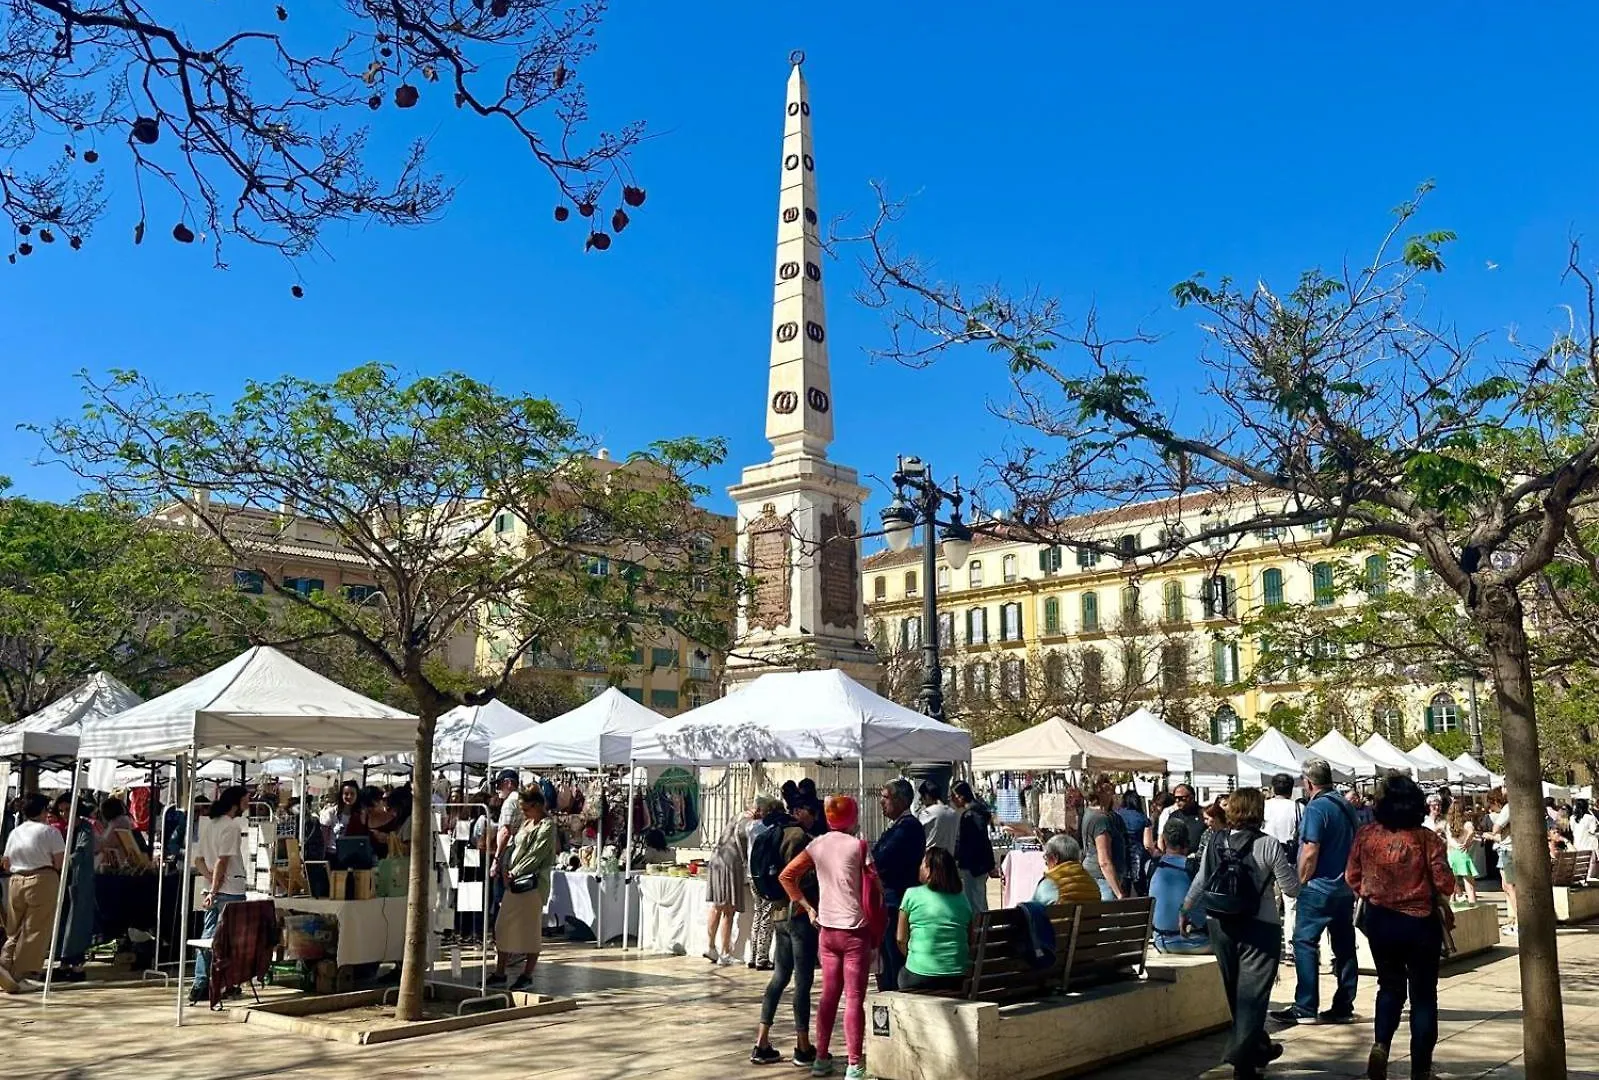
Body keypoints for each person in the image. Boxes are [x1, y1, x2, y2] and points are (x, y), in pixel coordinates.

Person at [1181, 788, 1299, 1080]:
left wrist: (1186, 908)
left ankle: (1258, 1048)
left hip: (1218, 923)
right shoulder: (1269, 845)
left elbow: (1201, 878)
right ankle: (1241, 1059)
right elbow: (1291, 888)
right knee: (1254, 995)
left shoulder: (1215, 840)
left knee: (1237, 993)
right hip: (1260, 926)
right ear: (1258, 811)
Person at [1348, 774, 1456, 1080]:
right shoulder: (1426, 839)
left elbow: (1351, 877)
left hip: (1380, 921)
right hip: (1420, 923)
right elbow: (1445, 882)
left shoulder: (1366, 835)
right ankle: (1420, 1068)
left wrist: (1376, 891)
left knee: (1389, 986)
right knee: (1423, 995)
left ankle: (1381, 1045)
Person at [780, 794, 876, 1080]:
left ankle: (821, 1058)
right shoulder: (858, 846)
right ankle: (854, 1065)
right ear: (852, 817)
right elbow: (875, 885)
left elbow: (787, 876)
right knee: (854, 999)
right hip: (855, 930)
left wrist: (808, 907)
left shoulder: (816, 845)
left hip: (827, 930)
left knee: (828, 997)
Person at [1272, 758, 1360, 1026]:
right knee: (1344, 945)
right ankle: (1344, 1004)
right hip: (1344, 887)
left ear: (1308, 782)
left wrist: (1299, 881)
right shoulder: (1346, 805)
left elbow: (1310, 850)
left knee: (1304, 942)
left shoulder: (1316, 808)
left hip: (1318, 886)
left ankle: (1306, 1006)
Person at [751, 796, 820, 1067]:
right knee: (802, 981)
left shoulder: (770, 833)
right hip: (799, 914)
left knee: (779, 977)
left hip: (778, 913)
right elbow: (797, 876)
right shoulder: (798, 836)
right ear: (798, 812)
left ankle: (762, 1041)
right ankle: (803, 1047)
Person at [491, 787, 556, 991]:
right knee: (503, 926)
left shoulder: (547, 826)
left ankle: (527, 974)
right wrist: (504, 866)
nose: (524, 813)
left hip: (533, 884)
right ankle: (500, 972)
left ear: (536, 806)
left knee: (529, 930)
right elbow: (515, 846)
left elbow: (536, 855)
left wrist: (514, 871)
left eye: (526, 809)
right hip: (514, 882)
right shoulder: (527, 822)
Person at [0, 794, 66, 992]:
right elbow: (59, 861)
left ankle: (4, 963)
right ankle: (19, 975)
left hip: (16, 880)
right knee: (35, 929)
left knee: (14, 928)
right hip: (42, 878)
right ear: (44, 811)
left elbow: (6, 861)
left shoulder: (16, 832)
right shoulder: (50, 832)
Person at [190, 785, 250, 1004]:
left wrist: (210, 880)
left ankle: (201, 983)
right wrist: (216, 886)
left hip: (215, 889)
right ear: (235, 802)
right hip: (229, 891)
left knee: (208, 937)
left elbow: (199, 860)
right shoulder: (230, 826)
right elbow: (222, 861)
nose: (248, 803)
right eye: (246, 799)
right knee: (229, 940)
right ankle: (224, 983)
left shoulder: (211, 825)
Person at [872, 778, 926, 992]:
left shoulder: (908, 828)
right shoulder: (898, 827)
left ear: (902, 800)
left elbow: (881, 859)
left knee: (894, 958)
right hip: (890, 900)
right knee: (886, 959)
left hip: (898, 901)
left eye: (886, 797)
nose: (881, 803)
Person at [897, 846, 973, 992]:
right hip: (957, 975)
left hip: (920, 975)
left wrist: (916, 958)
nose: (919, 868)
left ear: (930, 870)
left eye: (922, 864)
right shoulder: (962, 898)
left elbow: (901, 939)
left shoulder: (911, 894)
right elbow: (969, 938)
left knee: (901, 974)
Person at [1151, 820, 1210, 954]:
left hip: (1162, 941)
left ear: (1164, 841)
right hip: (1195, 941)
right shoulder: (1194, 868)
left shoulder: (1152, 866)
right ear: (1187, 841)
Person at [704, 806, 750, 965]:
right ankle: (725, 952)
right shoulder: (748, 823)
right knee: (728, 910)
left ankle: (710, 947)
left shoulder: (736, 817)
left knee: (716, 906)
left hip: (717, 861)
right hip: (730, 865)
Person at [949, 781, 996, 914]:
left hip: (973, 866)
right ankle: (984, 930)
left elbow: (979, 841)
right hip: (978, 865)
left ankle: (979, 931)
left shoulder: (971, 815)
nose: (952, 801)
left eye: (953, 797)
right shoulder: (976, 812)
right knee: (979, 901)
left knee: (975, 904)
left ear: (960, 797)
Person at [1080, 774, 1128, 901]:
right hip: (1103, 879)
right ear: (1100, 790)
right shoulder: (1100, 819)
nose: (1113, 785)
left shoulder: (1096, 813)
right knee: (1109, 919)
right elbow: (1104, 861)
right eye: (1108, 782)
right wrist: (1119, 893)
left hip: (1100, 877)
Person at [1032, 833, 1100, 905]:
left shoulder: (1050, 883)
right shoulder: (1091, 881)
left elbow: (1029, 910)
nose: (1046, 863)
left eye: (1046, 858)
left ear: (1055, 858)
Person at [1486, 787, 1517, 933]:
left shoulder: (1507, 808)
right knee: (1506, 886)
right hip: (1506, 849)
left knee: (1510, 888)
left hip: (1507, 851)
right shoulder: (1511, 807)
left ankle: (1519, 922)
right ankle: (1515, 920)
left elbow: (1496, 829)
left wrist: (1491, 834)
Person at [1117, 791, 1151, 894]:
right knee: (1141, 890)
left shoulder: (1117, 814)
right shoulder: (1143, 818)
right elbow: (1147, 844)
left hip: (1120, 854)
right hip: (1138, 855)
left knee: (1123, 890)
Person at [1445, 800, 1479, 903]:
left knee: (1452, 886)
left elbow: (1449, 840)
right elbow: (1472, 832)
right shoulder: (1467, 824)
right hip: (1463, 854)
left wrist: (1457, 845)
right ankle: (1473, 907)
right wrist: (1466, 843)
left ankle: (1452, 907)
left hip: (1451, 854)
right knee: (1470, 886)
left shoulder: (1448, 825)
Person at [915, 779, 959, 855]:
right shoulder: (954, 813)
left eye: (922, 797)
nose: (921, 800)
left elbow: (916, 836)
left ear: (927, 796)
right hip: (949, 859)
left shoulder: (927, 813)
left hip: (930, 859)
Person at [1572, 799, 1598, 867]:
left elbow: (1572, 829)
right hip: (1589, 846)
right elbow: (1593, 831)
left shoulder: (1572, 818)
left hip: (1577, 846)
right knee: (1590, 870)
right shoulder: (1590, 818)